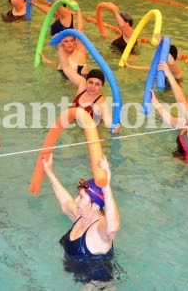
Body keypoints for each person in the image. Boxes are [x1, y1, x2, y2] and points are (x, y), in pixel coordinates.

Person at [41, 153, 120, 285]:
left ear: (95, 206)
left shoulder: (99, 229)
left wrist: (106, 187)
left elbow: (112, 228)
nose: (76, 200)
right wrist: (49, 172)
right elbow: (65, 202)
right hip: (81, 279)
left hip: (97, 287)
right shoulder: (82, 217)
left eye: (81, 197)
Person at [150, 62, 188, 167]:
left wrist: (169, 74)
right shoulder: (187, 122)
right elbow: (170, 120)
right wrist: (155, 102)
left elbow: (180, 100)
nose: (186, 104)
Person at [60, 50, 118, 132]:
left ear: (101, 87)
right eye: (90, 82)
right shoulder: (82, 86)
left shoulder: (100, 102)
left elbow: (108, 120)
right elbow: (66, 67)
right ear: (86, 82)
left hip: (92, 133)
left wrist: (115, 127)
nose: (93, 87)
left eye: (97, 84)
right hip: (74, 127)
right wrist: (59, 46)